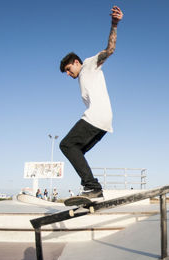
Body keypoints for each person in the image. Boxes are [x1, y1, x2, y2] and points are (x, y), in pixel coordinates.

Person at [59, 6, 124, 198]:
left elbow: (110, 50)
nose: (69, 74)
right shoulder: (82, 76)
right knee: (76, 151)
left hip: (96, 117)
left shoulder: (89, 63)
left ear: (77, 62)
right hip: (104, 122)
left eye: (70, 69)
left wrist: (114, 24)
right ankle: (90, 188)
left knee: (66, 145)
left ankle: (92, 187)